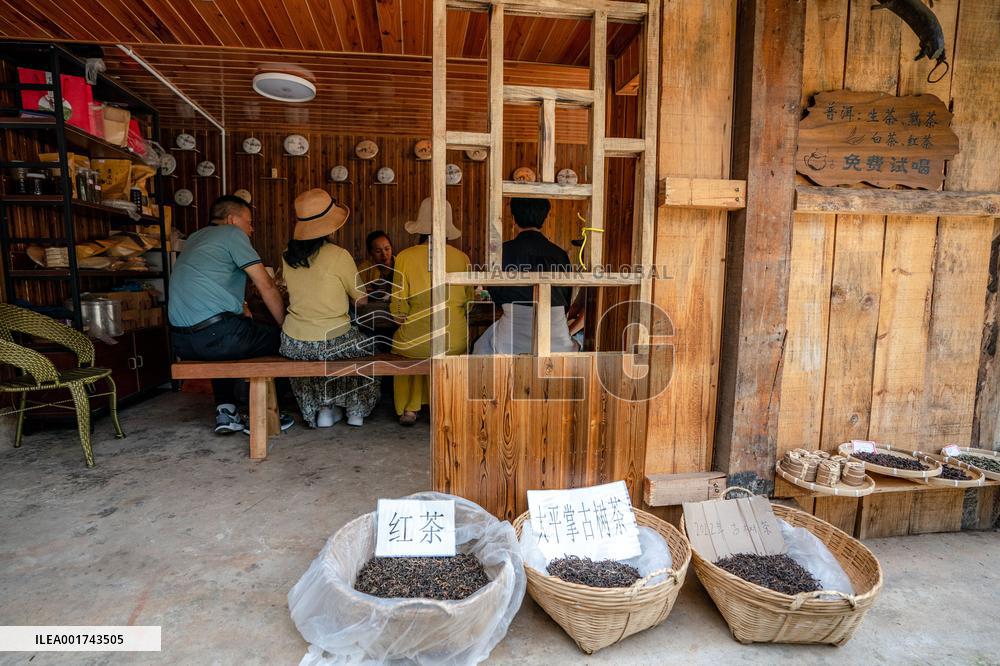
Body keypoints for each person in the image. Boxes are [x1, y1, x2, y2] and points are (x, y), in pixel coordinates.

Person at [169, 194, 293, 434]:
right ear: (232, 219)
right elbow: (266, 285)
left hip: (181, 341)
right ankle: (263, 413)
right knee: (281, 341)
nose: (251, 228)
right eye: (249, 222)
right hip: (218, 335)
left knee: (227, 341)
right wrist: (286, 328)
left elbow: (208, 284)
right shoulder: (232, 234)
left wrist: (242, 306)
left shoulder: (195, 238)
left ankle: (226, 410)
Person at [279, 189, 380, 428]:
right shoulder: (339, 255)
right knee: (363, 349)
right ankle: (355, 411)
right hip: (333, 338)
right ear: (330, 226)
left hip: (294, 342)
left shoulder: (286, 257)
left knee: (324, 352)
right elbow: (361, 300)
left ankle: (325, 409)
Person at [391, 197, 472, 426]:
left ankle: (410, 408)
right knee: (437, 344)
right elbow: (469, 302)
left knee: (409, 342)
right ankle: (446, 405)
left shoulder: (405, 257)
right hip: (452, 340)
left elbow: (398, 308)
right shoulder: (462, 258)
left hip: (416, 343)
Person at [472, 197, 575, 354]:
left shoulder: (501, 252)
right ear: (545, 218)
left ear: (513, 218)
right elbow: (566, 299)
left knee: (480, 345)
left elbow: (496, 295)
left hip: (512, 338)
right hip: (556, 338)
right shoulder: (560, 255)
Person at [356, 230, 396, 301]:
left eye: (387, 249)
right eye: (378, 251)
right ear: (371, 253)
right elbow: (357, 294)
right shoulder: (364, 268)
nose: (384, 254)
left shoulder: (401, 264)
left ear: (391, 248)